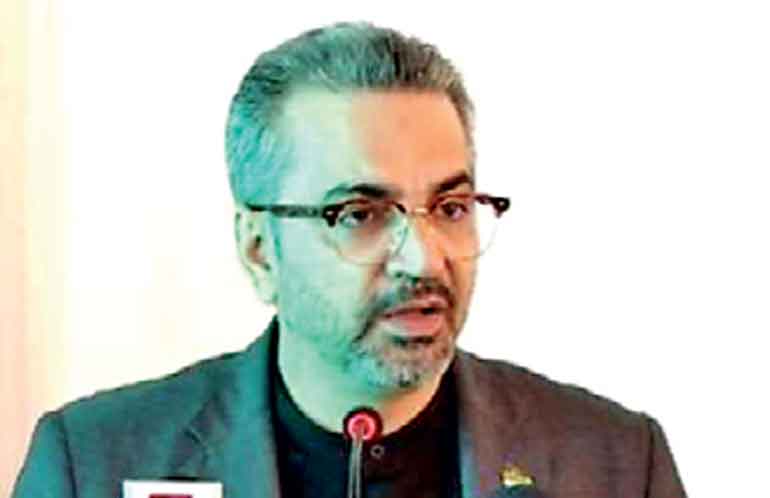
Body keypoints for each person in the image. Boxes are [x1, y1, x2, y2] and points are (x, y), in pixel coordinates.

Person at [12, 22, 686, 498]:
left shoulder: (618, 465)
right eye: (362, 215)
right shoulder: (92, 466)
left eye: (450, 207)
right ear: (259, 250)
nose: (423, 258)